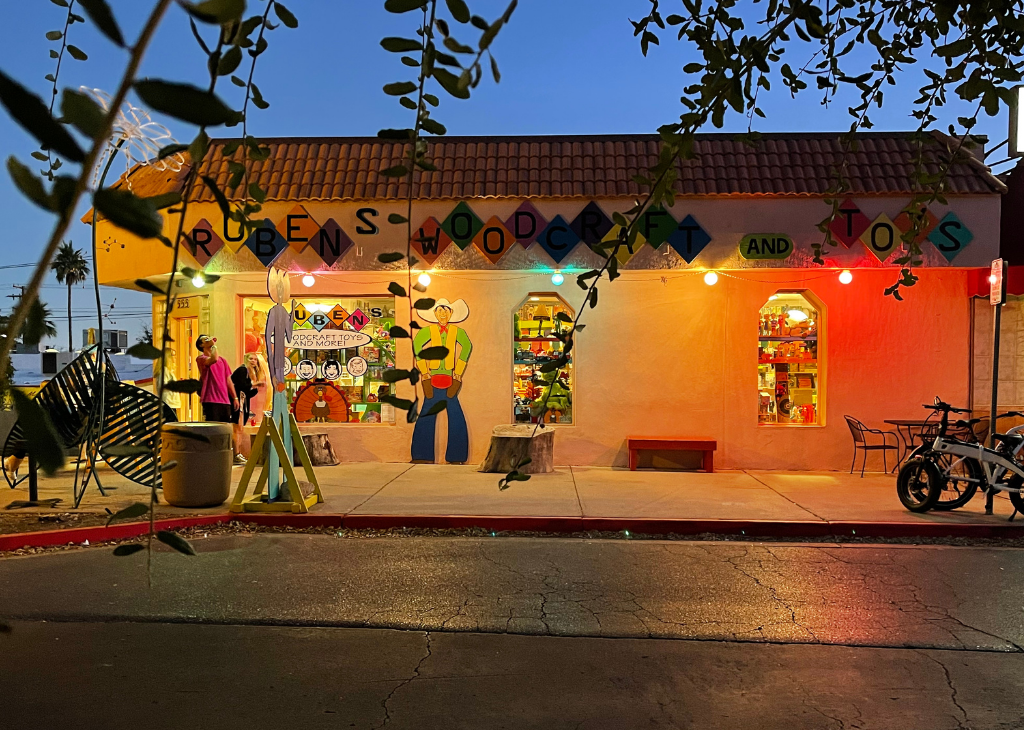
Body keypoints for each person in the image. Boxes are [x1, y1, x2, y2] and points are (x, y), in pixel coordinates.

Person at [411, 298, 473, 464]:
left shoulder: (457, 331)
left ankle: (456, 456)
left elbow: (467, 346)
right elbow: (417, 344)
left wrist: (458, 372)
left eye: (446, 310)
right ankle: (422, 456)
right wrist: (424, 370)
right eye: (439, 310)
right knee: (427, 414)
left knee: (455, 415)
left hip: (450, 378)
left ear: (451, 313)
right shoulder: (428, 331)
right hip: (432, 378)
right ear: (435, 313)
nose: (443, 314)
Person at [195, 334, 245, 464]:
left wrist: (234, 397)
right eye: (205, 339)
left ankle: (225, 456)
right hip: (210, 399)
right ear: (201, 345)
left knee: (225, 430)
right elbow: (213, 359)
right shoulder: (201, 359)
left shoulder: (223, 360)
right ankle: (211, 457)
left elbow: (228, 380)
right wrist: (213, 346)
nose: (209, 340)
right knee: (212, 429)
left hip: (224, 400)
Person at [244, 352, 269, 424]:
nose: (253, 361)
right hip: (249, 398)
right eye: (251, 359)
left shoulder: (260, 374)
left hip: (258, 399)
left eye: (255, 359)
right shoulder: (244, 371)